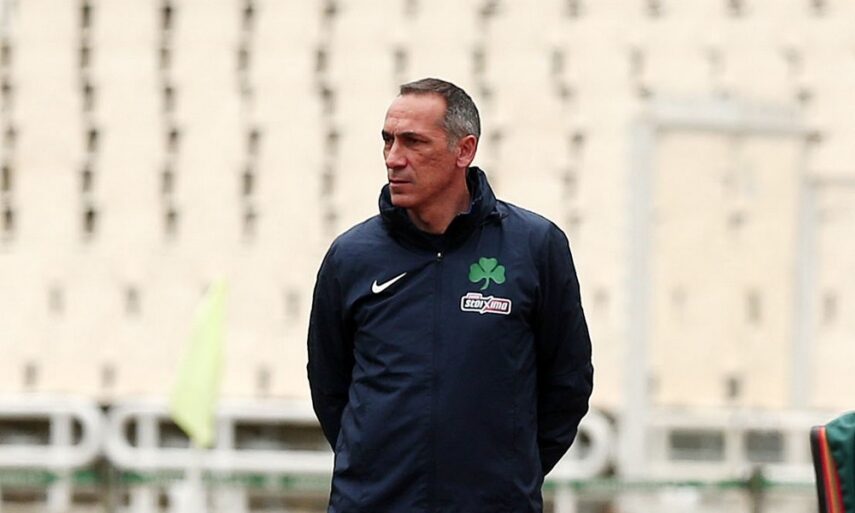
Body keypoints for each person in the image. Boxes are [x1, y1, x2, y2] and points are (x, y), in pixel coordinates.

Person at [307, 78, 593, 513]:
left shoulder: (535, 247)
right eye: (387, 141)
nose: (393, 158)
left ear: (464, 150)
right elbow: (330, 387)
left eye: (413, 142)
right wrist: (375, 465)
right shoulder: (351, 256)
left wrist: (508, 473)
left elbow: (567, 384)